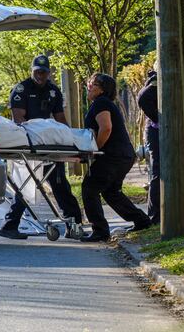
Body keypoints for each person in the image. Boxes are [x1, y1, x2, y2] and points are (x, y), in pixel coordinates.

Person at [0, 54, 83, 240]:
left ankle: (74, 223)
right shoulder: (21, 89)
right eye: (37, 71)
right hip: (28, 142)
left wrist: (69, 139)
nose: (41, 75)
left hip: (47, 144)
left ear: (49, 72)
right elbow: (19, 119)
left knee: (59, 183)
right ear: (32, 71)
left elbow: (60, 118)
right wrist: (31, 140)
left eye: (44, 72)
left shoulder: (53, 91)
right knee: (26, 186)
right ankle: (10, 225)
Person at [80, 73, 152, 242]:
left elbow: (106, 128)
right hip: (123, 155)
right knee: (111, 191)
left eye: (93, 83)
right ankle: (141, 220)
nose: (89, 86)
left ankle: (100, 230)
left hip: (113, 155)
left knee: (89, 188)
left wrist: (94, 150)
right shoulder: (103, 103)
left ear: (103, 89)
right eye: (89, 82)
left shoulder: (101, 103)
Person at [137, 67, 160, 225]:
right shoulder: (156, 82)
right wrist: (157, 118)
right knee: (158, 172)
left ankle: (159, 214)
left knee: (159, 172)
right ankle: (155, 216)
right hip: (156, 131)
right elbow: (143, 97)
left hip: (156, 129)